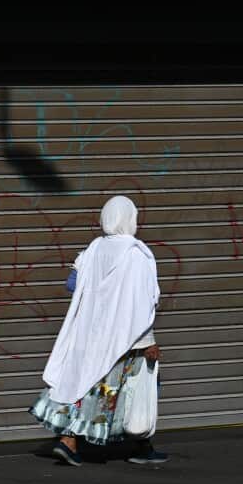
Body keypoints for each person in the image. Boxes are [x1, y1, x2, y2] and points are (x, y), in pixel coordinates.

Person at [31, 195, 167, 466]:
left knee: (86, 385)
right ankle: (139, 445)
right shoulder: (136, 253)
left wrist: (99, 298)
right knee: (128, 389)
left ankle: (70, 440)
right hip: (124, 339)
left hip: (88, 334)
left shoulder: (93, 249)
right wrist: (148, 341)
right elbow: (142, 303)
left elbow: (73, 285)